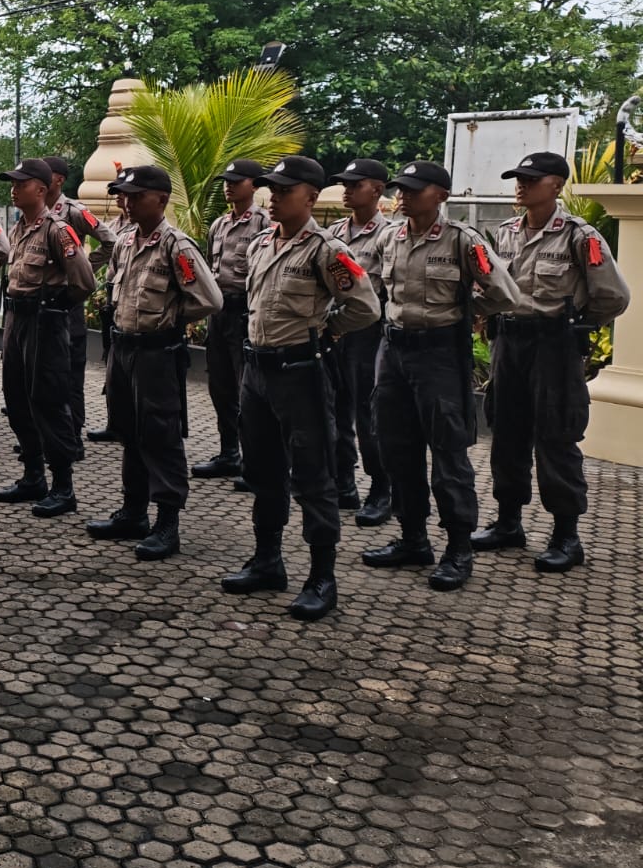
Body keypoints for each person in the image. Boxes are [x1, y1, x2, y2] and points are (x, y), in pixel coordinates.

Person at [217, 156, 380, 620]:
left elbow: (365, 307)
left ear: (310, 197)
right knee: (264, 472)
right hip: (257, 373)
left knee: (313, 475)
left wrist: (326, 332)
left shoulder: (326, 250)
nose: (273, 198)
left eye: (284, 190)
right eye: (271, 189)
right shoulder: (261, 244)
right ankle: (267, 561)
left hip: (301, 373)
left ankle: (322, 577)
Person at [361, 161, 520, 591]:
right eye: (401, 188)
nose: (404, 195)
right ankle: (413, 538)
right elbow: (372, 288)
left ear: (442, 196)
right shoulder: (389, 237)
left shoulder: (462, 241)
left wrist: (466, 312)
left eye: (415, 189)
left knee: (448, 454)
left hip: (439, 355)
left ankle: (458, 548)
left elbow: (506, 293)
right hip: (393, 353)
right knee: (396, 448)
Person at [475, 151, 630, 572]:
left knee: (556, 436)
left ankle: (566, 536)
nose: (521, 185)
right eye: (518, 178)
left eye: (531, 179)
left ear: (557, 185)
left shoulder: (580, 236)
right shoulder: (505, 232)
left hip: (553, 346)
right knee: (507, 432)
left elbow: (613, 296)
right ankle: (508, 523)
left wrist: (573, 326)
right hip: (509, 343)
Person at [84, 165, 222, 560]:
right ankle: (133, 512)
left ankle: (167, 523)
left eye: (136, 195)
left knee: (160, 436)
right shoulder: (126, 241)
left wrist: (170, 318)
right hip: (124, 349)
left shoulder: (176, 246)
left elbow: (210, 299)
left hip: (158, 353)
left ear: (161, 199)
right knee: (128, 432)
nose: (127, 202)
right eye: (124, 196)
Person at [0, 159, 95, 516]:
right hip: (16, 321)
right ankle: (33, 476)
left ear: (41, 188)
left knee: (48, 402)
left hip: (45, 323)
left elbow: (84, 281)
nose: (14, 189)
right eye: (13, 183)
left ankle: (63, 487)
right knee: (17, 399)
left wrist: (57, 306)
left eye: (21, 184)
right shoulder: (18, 228)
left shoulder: (58, 230)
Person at [326, 158, 396, 524]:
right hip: (336, 329)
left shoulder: (389, 235)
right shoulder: (334, 233)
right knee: (337, 408)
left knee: (370, 416)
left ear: (378, 190)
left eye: (356, 184)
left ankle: (381, 489)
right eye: (346, 184)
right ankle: (344, 483)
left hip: (370, 333)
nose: (347, 190)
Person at [191, 159, 270, 485]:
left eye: (237, 181)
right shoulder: (219, 224)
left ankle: (255, 461)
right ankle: (228, 453)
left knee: (246, 389)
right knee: (220, 386)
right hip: (219, 314)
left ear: (255, 185)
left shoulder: (264, 223)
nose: (229, 186)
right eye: (227, 180)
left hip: (244, 312)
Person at [45, 156, 109, 456]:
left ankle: (73, 437)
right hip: (44, 303)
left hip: (68, 299)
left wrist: (83, 269)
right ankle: (51, 434)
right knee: (46, 372)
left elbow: (110, 241)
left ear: (59, 179)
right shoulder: (36, 212)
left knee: (70, 372)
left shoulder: (74, 211)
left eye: (46, 175)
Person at [86, 194, 134, 444]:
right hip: (114, 301)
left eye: (124, 192)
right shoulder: (115, 226)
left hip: (135, 307)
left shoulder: (145, 228)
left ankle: (132, 425)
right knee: (113, 367)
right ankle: (115, 423)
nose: (119, 197)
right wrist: (86, 269)